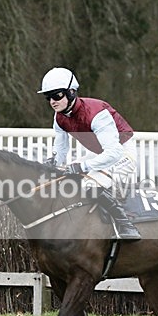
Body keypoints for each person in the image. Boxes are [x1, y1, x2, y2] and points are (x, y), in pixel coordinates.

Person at [38, 67, 141, 241]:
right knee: (68, 179)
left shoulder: (97, 113)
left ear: (71, 93)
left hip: (122, 153)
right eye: (48, 97)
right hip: (101, 154)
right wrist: (53, 165)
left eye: (57, 95)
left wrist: (81, 166)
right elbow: (61, 151)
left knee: (90, 186)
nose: (52, 102)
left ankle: (126, 225)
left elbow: (114, 153)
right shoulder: (59, 118)